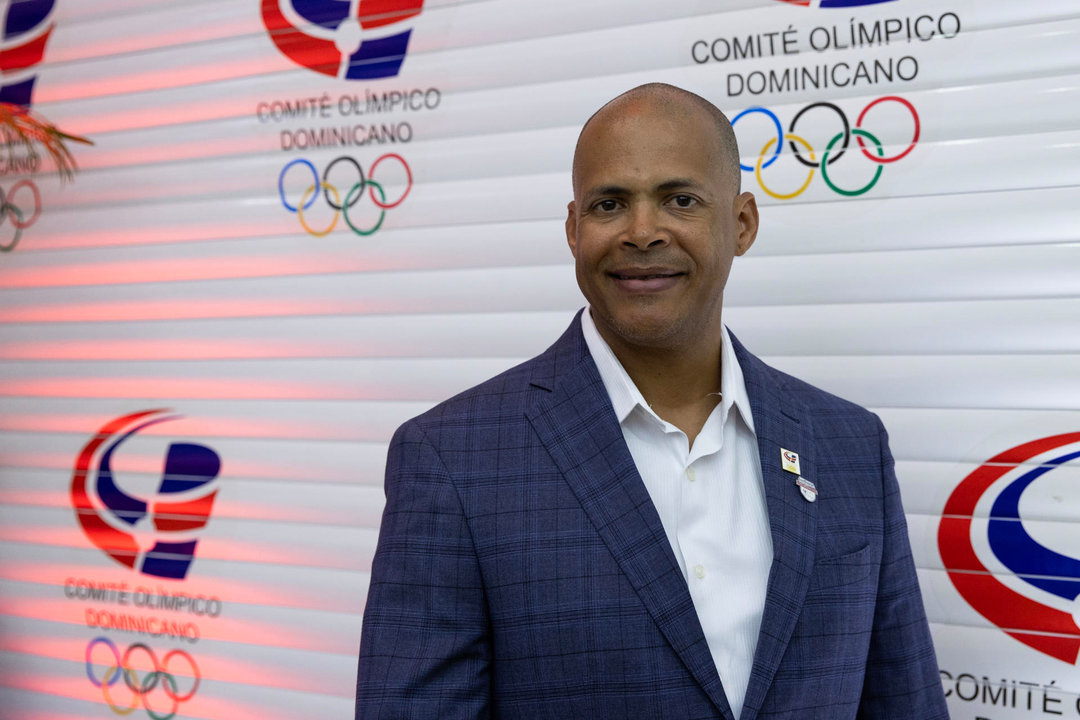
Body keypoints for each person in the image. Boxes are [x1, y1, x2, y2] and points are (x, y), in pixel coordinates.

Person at [356, 83, 948, 720]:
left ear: (742, 222)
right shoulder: (454, 457)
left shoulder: (849, 444)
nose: (642, 232)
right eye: (610, 204)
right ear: (573, 229)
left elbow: (904, 702)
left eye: (680, 200)